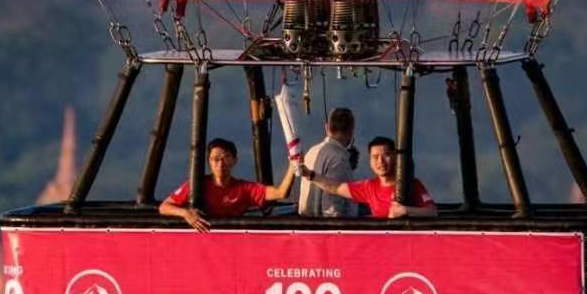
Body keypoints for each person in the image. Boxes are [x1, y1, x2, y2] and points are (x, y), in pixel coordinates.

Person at [160, 137, 296, 232]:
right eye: (215, 159)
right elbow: (164, 207)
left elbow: (281, 193)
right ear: (209, 162)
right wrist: (185, 214)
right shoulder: (196, 185)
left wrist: (292, 166)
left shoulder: (244, 189)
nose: (220, 163)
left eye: (226, 158)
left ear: (234, 160)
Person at [298, 136, 437, 219]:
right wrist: (310, 175)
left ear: (395, 157)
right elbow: (336, 187)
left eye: (386, 155)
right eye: (375, 157)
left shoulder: (412, 184)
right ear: (370, 160)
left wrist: (405, 211)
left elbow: (432, 212)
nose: (381, 162)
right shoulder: (369, 187)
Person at [296, 106, 358, 217]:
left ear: (327, 128)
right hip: (330, 230)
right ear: (351, 130)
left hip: (307, 225)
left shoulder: (311, 151)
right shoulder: (339, 159)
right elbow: (332, 208)